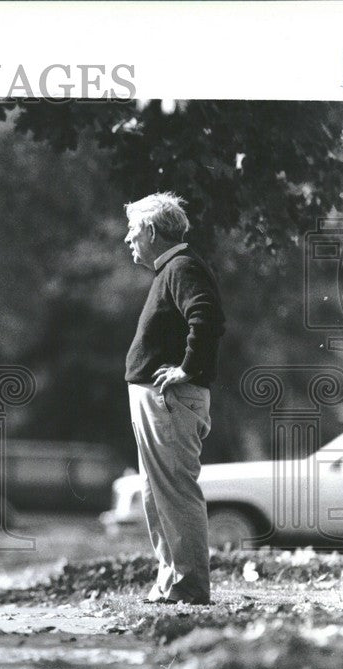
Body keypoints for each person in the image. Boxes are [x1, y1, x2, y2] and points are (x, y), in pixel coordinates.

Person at [122, 192, 226, 605]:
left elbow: (207, 316)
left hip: (170, 398)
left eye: (132, 230)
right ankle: (171, 581)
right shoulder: (173, 268)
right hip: (158, 398)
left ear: (150, 230)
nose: (128, 238)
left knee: (174, 492)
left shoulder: (182, 267)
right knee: (156, 492)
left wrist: (188, 368)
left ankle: (189, 587)